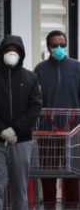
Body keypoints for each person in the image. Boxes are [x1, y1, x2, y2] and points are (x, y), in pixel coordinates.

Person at [0, 35, 42, 210]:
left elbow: (35, 107)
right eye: (7, 50)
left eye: (15, 50)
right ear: (1, 52)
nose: (11, 53)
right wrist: (1, 130)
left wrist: (17, 129)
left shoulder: (31, 78)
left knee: (19, 189)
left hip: (22, 141)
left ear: (21, 53)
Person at [34, 30, 80, 208]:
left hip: (74, 131)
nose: (59, 48)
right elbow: (35, 99)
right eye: (55, 45)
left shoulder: (77, 67)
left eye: (62, 45)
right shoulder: (40, 69)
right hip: (48, 130)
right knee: (48, 173)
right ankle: (49, 205)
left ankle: (72, 205)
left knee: (73, 173)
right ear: (48, 47)